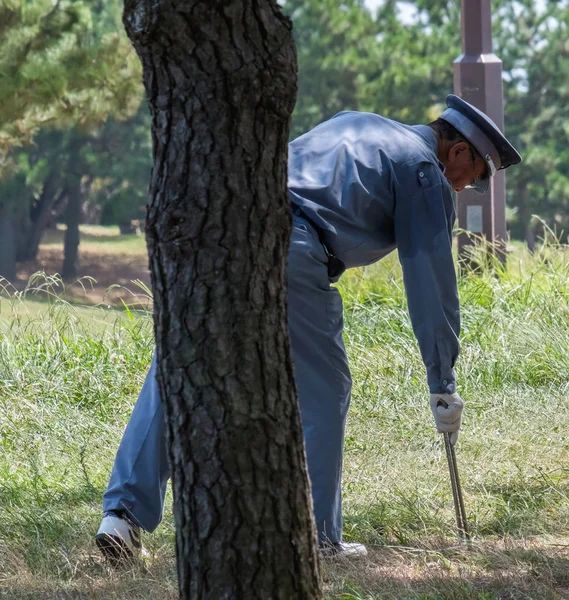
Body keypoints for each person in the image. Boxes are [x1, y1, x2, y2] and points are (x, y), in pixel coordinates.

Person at [95, 95, 521, 561]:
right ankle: (314, 537)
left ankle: (122, 516)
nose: (463, 190)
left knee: (181, 366)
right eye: (474, 180)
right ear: (459, 152)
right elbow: (430, 280)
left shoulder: (358, 120)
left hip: (221, 227)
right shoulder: (424, 171)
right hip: (291, 248)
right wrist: (442, 379)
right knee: (324, 389)